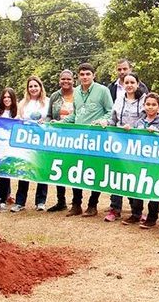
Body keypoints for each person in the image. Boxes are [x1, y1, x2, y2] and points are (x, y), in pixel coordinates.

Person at [62, 62, 113, 217]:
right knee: (76, 170)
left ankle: (92, 205)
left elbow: (111, 112)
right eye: (82, 74)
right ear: (78, 76)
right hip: (78, 140)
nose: (84, 77)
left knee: (94, 171)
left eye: (88, 74)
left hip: (96, 140)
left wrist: (102, 121)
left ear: (93, 75)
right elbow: (76, 114)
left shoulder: (103, 91)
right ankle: (76, 204)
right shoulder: (76, 92)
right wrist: (60, 122)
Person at [102, 72, 146, 223]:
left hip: (137, 145)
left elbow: (147, 119)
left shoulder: (144, 100)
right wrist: (105, 123)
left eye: (132, 82)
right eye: (126, 82)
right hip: (119, 144)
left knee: (134, 176)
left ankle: (137, 211)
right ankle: (115, 209)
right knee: (117, 176)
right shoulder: (119, 100)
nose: (129, 85)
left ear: (138, 84)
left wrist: (134, 128)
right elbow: (113, 120)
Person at [11, 76, 50, 212]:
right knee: (24, 170)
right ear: (28, 89)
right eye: (31, 86)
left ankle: (41, 201)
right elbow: (16, 120)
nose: (33, 89)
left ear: (40, 87)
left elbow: (51, 119)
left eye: (36, 86)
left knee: (41, 170)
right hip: (26, 142)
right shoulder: (22, 103)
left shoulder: (47, 102)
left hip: (43, 142)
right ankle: (20, 202)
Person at [131, 93, 159, 229]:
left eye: (154, 104)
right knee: (137, 186)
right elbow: (133, 138)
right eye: (148, 104)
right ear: (144, 105)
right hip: (140, 160)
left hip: (156, 161)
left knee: (153, 187)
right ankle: (136, 214)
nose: (150, 107)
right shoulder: (139, 122)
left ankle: (152, 217)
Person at [45, 69, 75, 213]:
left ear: (73, 80)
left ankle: (76, 202)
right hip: (58, 138)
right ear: (59, 80)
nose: (66, 81)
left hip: (75, 137)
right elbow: (49, 115)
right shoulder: (54, 96)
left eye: (68, 79)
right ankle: (61, 201)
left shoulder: (79, 95)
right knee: (59, 168)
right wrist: (47, 123)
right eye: (63, 79)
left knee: (76, 168)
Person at [0, 88, 19, 212]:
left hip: (13, 147)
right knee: (3, 173)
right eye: (4, 97)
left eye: (9, 97)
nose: (7, 99)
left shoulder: (17, 112)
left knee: (8, 173)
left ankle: (2, 198)